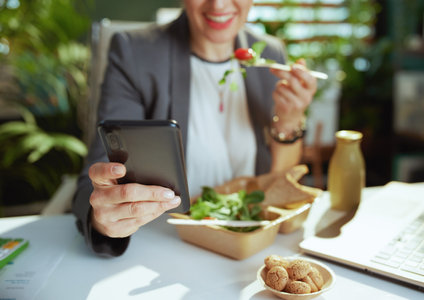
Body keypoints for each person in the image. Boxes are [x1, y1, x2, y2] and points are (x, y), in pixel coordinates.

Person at [72, 0, 317, 257]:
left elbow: (281, 181)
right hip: (166, 245)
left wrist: (289, 121)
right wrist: (103, 219)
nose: (219, 4)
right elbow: (97, 179)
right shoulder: (135, 52)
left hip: (252, 246)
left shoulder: (271, 56)